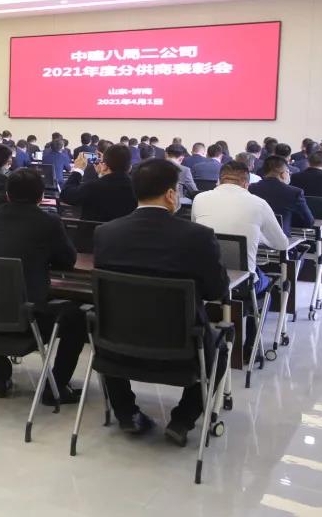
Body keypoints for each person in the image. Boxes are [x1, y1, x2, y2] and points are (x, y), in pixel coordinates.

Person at [93, 159, 229, 445]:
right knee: (221, 346)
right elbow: (216, 290)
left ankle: (126, 413)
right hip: (181, 350)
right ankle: (182, 420)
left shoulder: (106, 233)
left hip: (117, 346)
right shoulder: (198, 236)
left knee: (102, 324)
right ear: (170, 194)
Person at [0, 168, 83, 401]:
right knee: (77, 318)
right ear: (41, 196)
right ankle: (55, 388)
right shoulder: (49, 222)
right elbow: (68, 259)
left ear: (7, 194)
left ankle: (1, 377)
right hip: (29, 320)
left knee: (0, 292)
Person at [193, 160, 289, 284]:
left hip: (205, 280)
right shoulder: (259, 203)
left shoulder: (199, 198)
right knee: (269, 280)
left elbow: (197, 231)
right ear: (246, 184)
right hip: (243, 283)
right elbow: (281, 244)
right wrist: (259, 237)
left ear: (220, 180)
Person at [61, 144, 137, 222]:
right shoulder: (137, 187)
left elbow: (66, 195)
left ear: (105, 166)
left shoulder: (92, 187)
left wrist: (78, 170)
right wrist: (101, 174)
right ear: (129, 167)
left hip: (93, 229)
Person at [249, 156, 314, 236]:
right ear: (283, 174)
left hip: (256, 236)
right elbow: (309, 221)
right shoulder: (294, 192)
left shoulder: (251, 188)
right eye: (288, 172)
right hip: (282, 238)